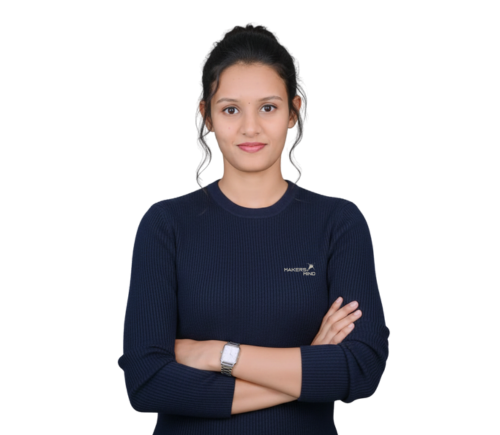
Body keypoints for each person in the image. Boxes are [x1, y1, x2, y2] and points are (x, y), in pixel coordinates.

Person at [117, 22, 390, 435]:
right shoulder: (165, 224)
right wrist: (309, 365)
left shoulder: (339, 222)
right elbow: (147, 383)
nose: (250, 128)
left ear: (293, 112)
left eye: (268, 107)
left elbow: (362, 369)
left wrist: (217, 354)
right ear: (206, 115)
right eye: (231, 109)